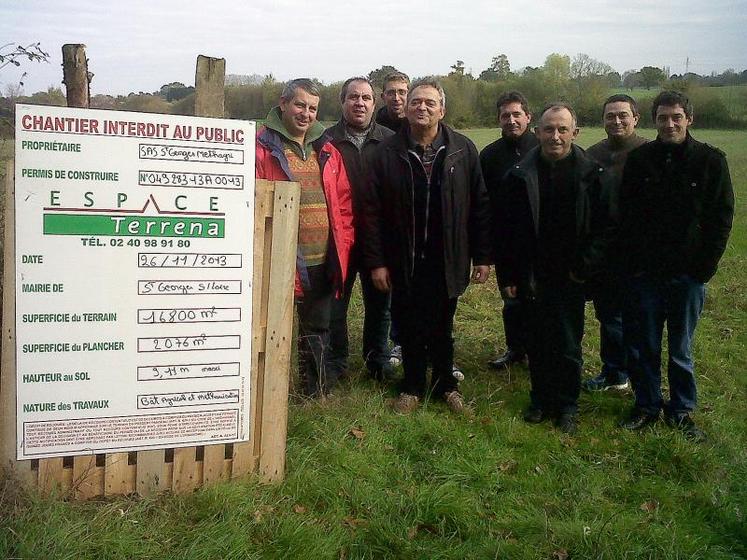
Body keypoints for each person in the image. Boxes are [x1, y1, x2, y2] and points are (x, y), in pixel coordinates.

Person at [362, 78, 492, 414]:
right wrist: (376, 262)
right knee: (407, 325)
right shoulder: (385, 153)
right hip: (402, 258)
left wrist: (483, 256)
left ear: (442, 110)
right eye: (416, 102)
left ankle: (446, 385)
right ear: (405, 109)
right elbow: (372, 212)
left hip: (447, 257)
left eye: (429, 103)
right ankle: (412, 386)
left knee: (442, 325)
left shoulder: (463, 150)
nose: (422, 108)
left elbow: (478, 204)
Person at [618, 90, 734, 440]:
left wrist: (703, 270)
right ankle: (647, 406)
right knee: (645, 346)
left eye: (676, 118)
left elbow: (721, 219)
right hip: (646, 276)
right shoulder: (640, 161)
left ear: (689, 119)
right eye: (663, 118)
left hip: (687, 277)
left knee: (681, 349)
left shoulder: (711, 161)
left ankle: (682, 410)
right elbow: (627, 217)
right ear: (653, 121)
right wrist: (634, 267)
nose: (669, 124)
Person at [498, 103, 613, 434]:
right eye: (549, 129)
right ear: (537, 133)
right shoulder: (519, 175)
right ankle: (540, 399)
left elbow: (606, 228)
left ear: (575, 133)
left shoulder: (592, 176)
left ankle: (567, 405)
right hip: (532, 273)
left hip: (571, 275)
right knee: (536, 341)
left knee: (566, 343)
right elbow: (505, 231)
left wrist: (583, 268)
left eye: (563, 129)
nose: (555, 136)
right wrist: (508, 276)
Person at [255, 78, 355, 397]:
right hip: (279, 258)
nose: (306, 114)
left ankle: (314, 392)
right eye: (300, 105)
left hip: (322, 258)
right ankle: (270, 394)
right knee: (272, 329)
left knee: (317, 329)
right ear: (283, 103)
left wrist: (344, 245)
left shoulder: (326, 150)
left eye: (312, 108)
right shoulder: (261, 148)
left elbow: (343, 204)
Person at [325, 77, 395, 382]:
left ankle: (378, 361)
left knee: (380, 304)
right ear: (342, 102)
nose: (360, 103)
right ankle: (335, 364)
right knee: (335, 305)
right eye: (353, 97)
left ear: (374, 103)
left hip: (378, 238)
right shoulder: (325, 142)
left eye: (366, 98)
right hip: (337, 238)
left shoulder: (391, 142)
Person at [582, 94, 648, 391]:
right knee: (608, 316)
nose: (617, 121)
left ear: (636, 118)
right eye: (611, 116)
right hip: (603, 254)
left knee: (636, 319)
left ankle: (639, 376)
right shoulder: (592, 155)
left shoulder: (649, 153)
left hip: (639, 254)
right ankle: (614, 372)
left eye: (623, 115)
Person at [480, 91, 538, 370]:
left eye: (517, 114)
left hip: (541, 243)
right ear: (499, 120)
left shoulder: (543, 147)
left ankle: (540, 351)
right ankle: (516, 349)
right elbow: (482, 203)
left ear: (529, 116)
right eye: (506, 116)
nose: (512, 120)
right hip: (506, 243)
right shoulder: (489, 155)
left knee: (539, 299)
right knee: (512, 300)